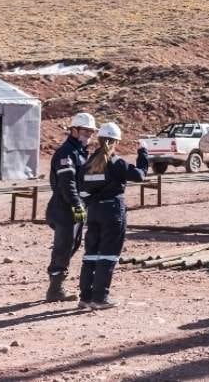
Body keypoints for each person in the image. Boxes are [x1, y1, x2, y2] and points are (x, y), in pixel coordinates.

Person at [78, 122, 148, 310]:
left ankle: (85, 297)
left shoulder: (88, 163)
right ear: (116, 141)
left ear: (99, 139)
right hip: (112, 212)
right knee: (108, 255)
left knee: (91, 255)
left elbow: (81, 190)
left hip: (93, 212)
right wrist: (143, 154)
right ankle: (100, 298)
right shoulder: (116, 162)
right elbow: (140, 175)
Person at [44, 112, 98, 302]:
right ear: (73, 130)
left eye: (91, 132)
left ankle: (56, 284)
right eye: (85, 131)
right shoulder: (67, 153)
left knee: (71, 245)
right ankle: (55, 289)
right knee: (64, 246)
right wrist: (76, 205)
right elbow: (67, 184)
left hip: (72, 207)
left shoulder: (80, 153)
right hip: (64, 208)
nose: (88, 135)